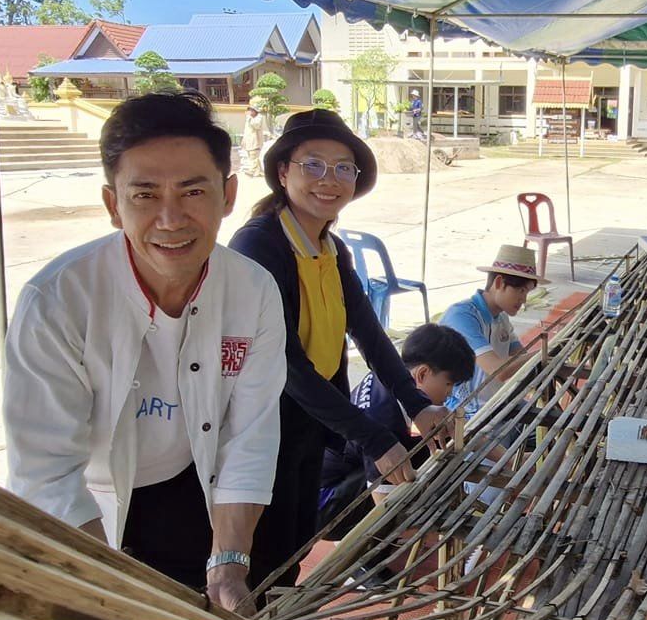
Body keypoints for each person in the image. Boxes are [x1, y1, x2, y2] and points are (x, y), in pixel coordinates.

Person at [5, 91, 287, 614]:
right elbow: (46, 470)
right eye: (145, 195)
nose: (171, 218)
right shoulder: (58, 300)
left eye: (192, 191)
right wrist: (108, 587)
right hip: (89, 504)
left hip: (191, 485)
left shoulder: (254, 290)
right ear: (113, 205)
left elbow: (249, 432)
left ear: (227, 196)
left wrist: (228, 562)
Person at [230, 108, 451, 585]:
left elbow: (368, 334)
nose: (329, 180)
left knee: (292, 547)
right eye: (313, 165)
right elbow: (284, 363)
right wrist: (374, 436)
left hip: (310, 423)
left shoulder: (330, 247)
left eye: (343, 168)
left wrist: (417, 405)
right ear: (283, 172)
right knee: (258, 557)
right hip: (261, 429)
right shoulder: (259, 247)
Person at [318, 323, 477, 536]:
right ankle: (367, 560)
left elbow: (456, 433)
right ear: (422, 374)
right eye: (449, 384)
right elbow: (383, 505)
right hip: (323, 504)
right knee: (404, 467)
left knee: (431, 445)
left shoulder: (389, 375)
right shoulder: (383, 417)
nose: (450, 393)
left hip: (341, 475)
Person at [440, 244, 544, 416]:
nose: (524, 299)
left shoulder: (501, 318)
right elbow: (499, 371)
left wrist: (548, 358)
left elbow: (520, 357)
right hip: (465, 412)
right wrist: (541, 353)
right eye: (521, 290)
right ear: (499, 283)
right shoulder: (463, 316)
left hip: (496, 404)